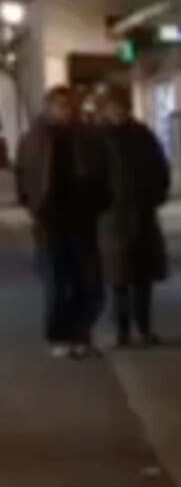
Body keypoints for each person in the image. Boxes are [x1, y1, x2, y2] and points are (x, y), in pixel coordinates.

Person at [18, 85, 106, 357]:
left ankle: (80, 334)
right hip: (51, 224)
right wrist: (35, 208)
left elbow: (103, 173)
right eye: (59, 106)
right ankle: (59, 337)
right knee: (57, 285)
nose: (65, 111)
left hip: (83, 221)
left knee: (90, 286)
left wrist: (100, 202)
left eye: (69, 106)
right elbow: (24, 177)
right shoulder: (35, 138)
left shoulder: (87, 136)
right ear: (49, 107)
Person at [95, 86, 171, 348]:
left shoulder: (142, 135)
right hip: (112, 216)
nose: (118, 112)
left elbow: (160, 167)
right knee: (118, 279)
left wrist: (157, 194)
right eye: (113, 108)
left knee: (142, 278)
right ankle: (122, 331)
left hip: (142, 212)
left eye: (121, 107)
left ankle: (144, 328)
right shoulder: (97, 138)